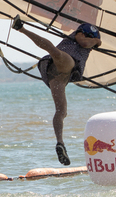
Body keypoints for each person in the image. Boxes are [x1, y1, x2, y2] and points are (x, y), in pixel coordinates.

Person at [12, 16, 103, 166]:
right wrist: (97, 41)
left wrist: (95, 41)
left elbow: (87, 41)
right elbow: (84, 41)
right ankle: (21, 28)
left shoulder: (87, 38)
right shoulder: (79, 35)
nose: (88, 39)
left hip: (58, 77)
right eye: (86, 35)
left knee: (61, 111)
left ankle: (60, 143)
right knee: (56, 52)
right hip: (65, 62)